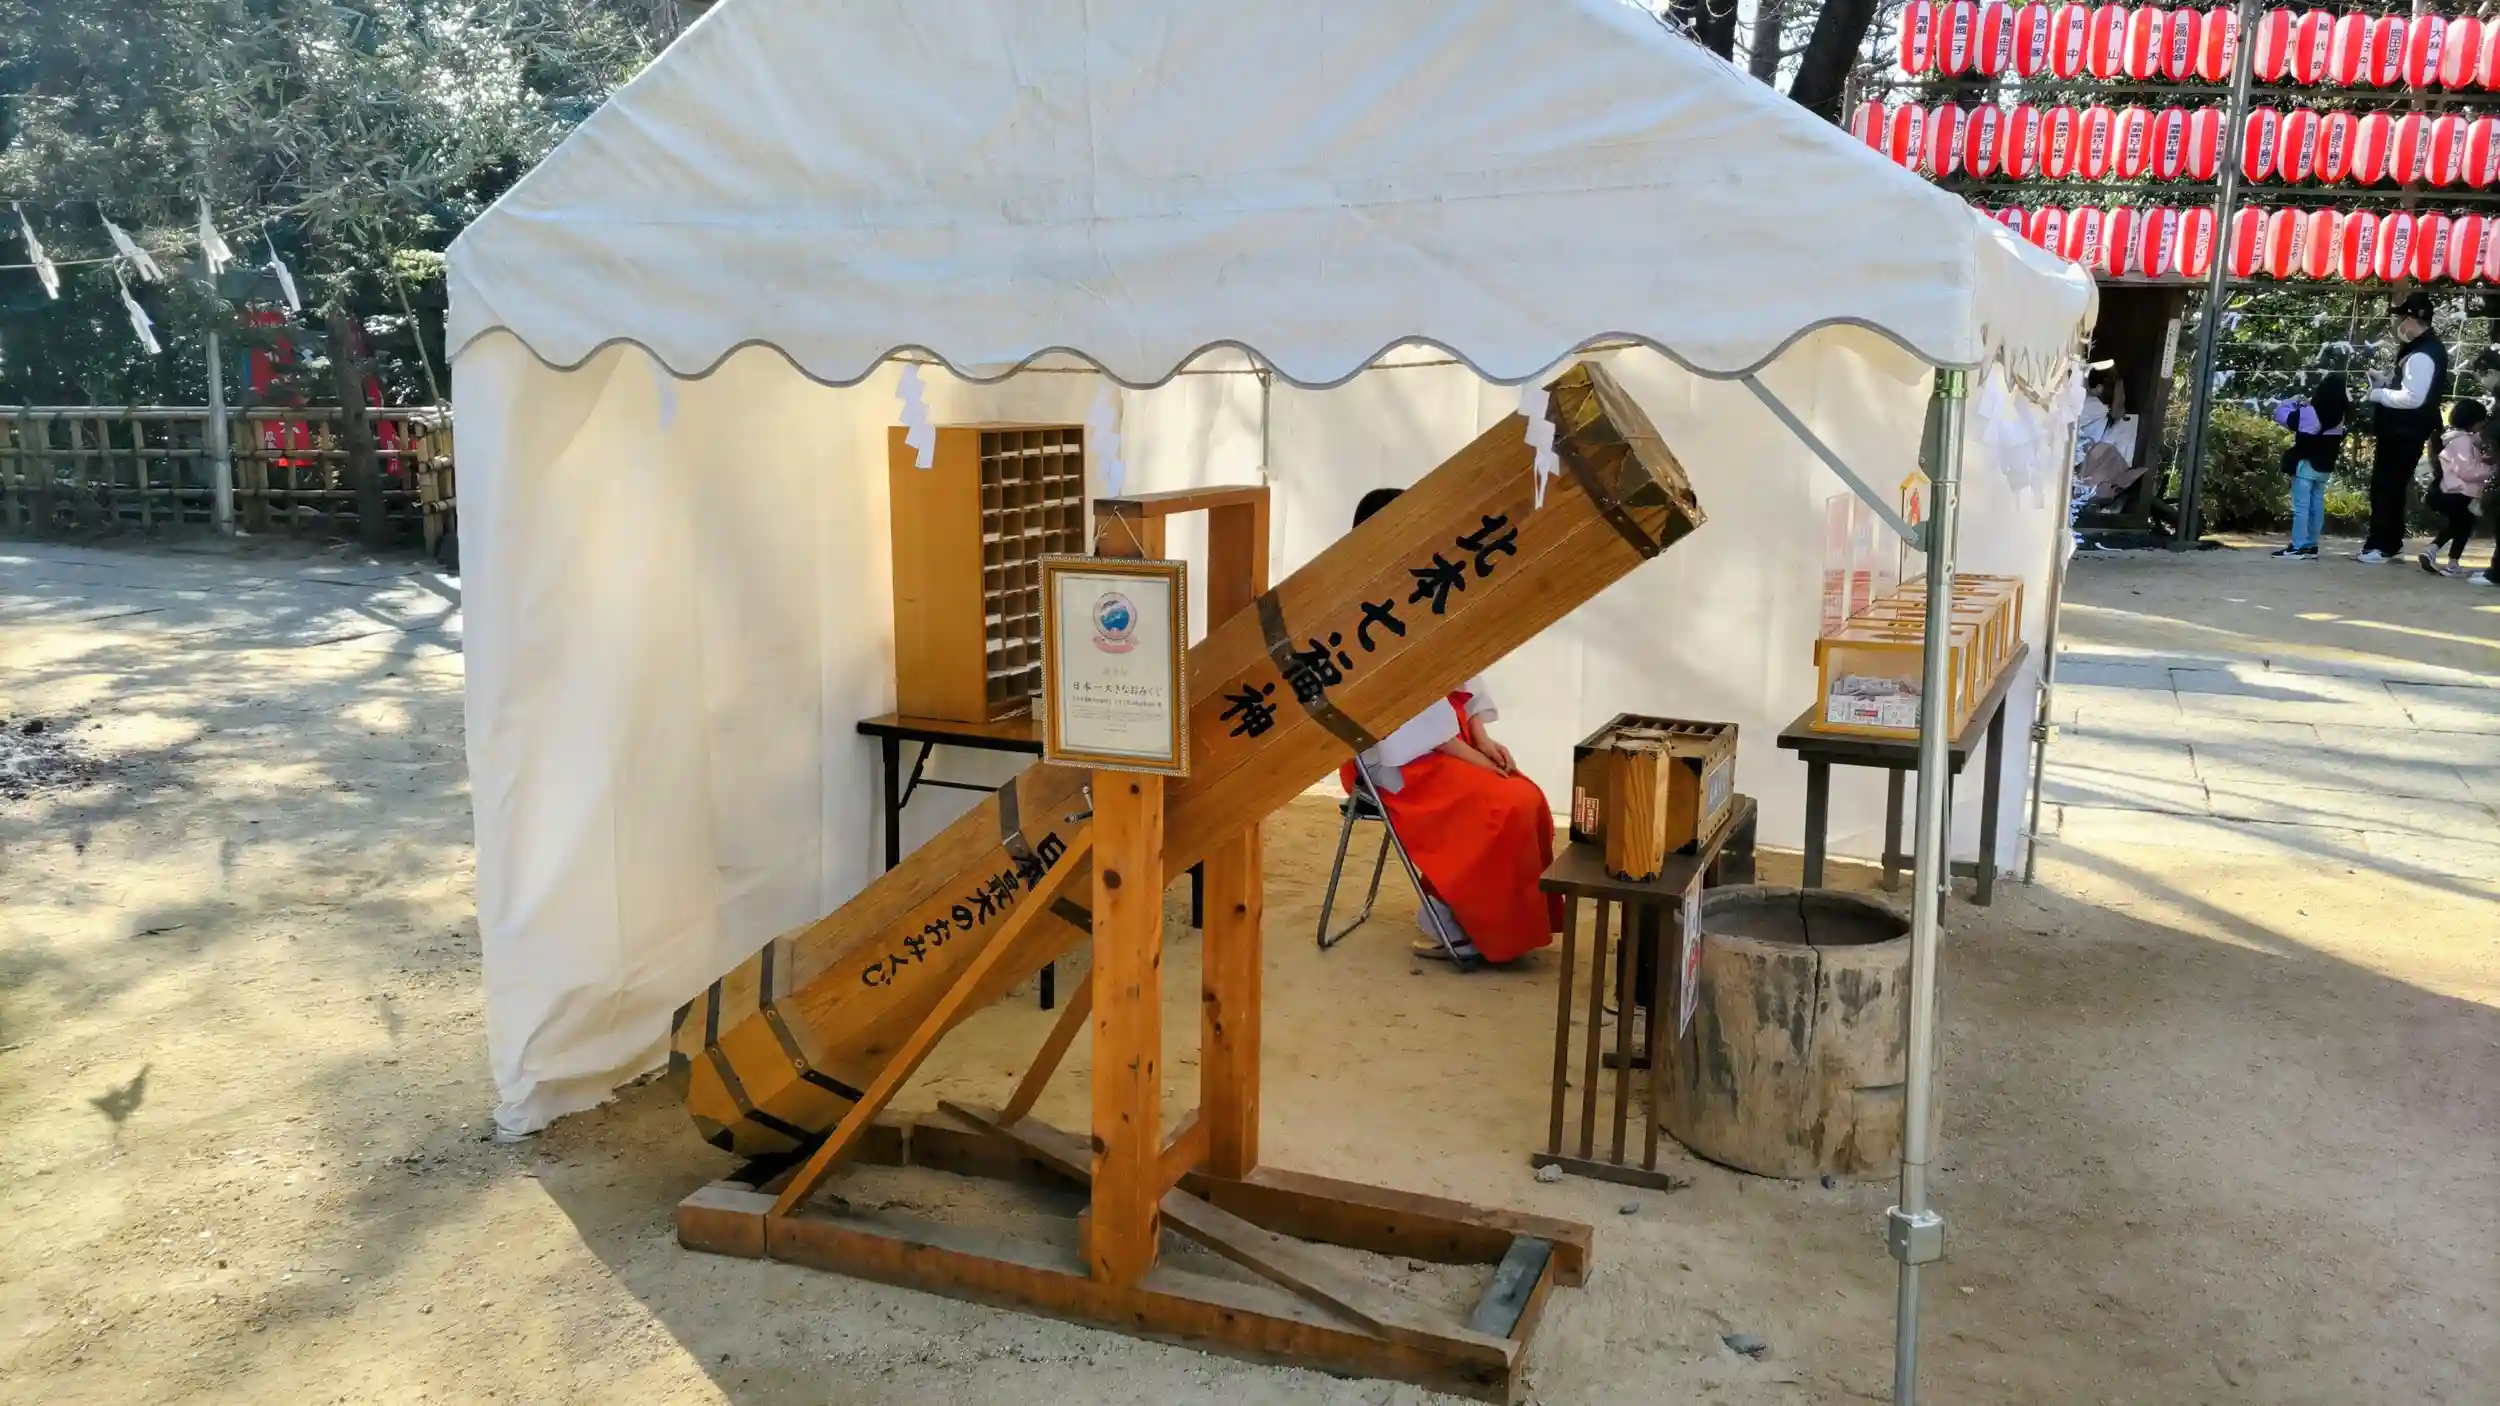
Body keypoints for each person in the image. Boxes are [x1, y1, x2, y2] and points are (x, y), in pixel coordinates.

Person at [1339, 487, 1561, 965]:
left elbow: (1463, 665)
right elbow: (1392, 708)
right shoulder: (1355, 607)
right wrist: (1468, 754)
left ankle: (1490, 923)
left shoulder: (1422, 585)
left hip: (1448, 737)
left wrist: (1481, 734)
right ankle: (1448, 917)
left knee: (1528, 797)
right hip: (1395, 755)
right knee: (1505, 806)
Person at [2359, 291, 2450, 564]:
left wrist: (2377, 394)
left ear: (2411, 319)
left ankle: (2382, 546)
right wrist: (2385, 384)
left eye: (2401, 319)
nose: (2398, 325)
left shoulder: (2422, 354)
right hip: (2404, 430)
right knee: (2391, 487)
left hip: (2404, 431)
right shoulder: (2423, 348)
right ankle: (2388, 542)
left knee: (2387, 487)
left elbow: (2413, 398)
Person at [2270, 373, 2348, 560]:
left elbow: (2280, 415)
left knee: (2301, 508)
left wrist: (2294, 401)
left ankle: (2297, 547)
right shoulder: (2340, 416)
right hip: (2325, 466)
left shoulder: (2309, 412)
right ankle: (2311, 545)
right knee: (2316, 506)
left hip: (2306, 465)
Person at [2422, 399, 2494, 576]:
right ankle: (2437, 553)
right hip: (2459, 492)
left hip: (2453, 490)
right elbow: (2468, 470)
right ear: (2473, 421)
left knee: (2461, 525)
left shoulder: (2455, 439)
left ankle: (2447, 560)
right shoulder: (2462, 442)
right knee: (2461, 526)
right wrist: (2492, 469)